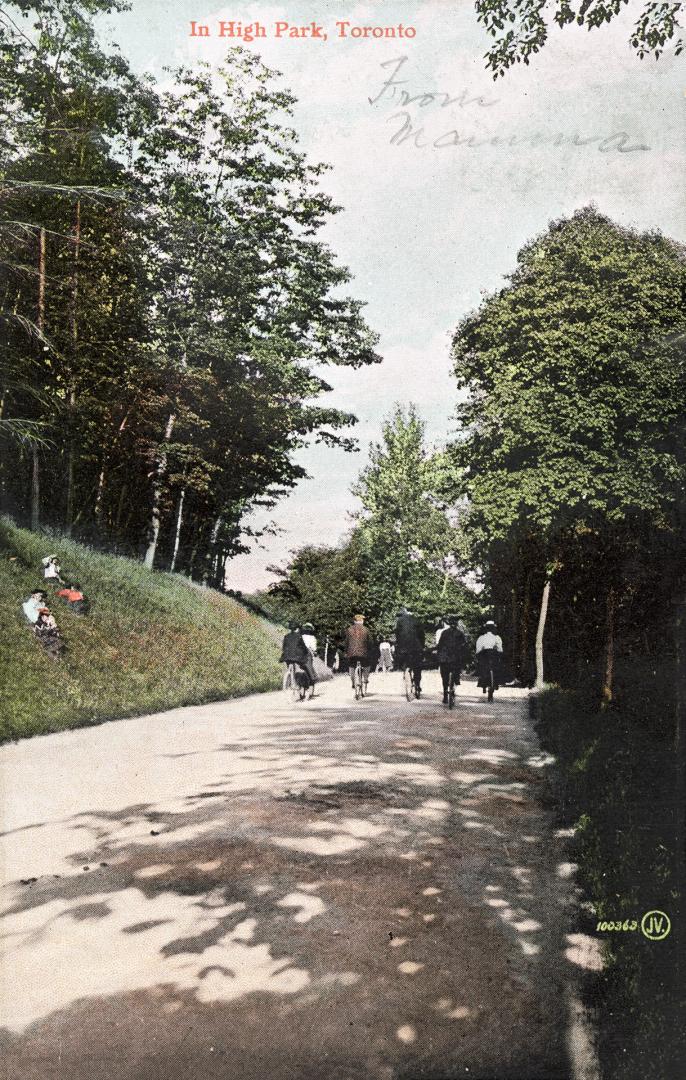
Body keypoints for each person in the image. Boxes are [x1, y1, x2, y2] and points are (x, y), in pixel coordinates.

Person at [395, 607, 425, 697]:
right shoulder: (417, 620)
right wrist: (422, 646)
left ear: (406, 611)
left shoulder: (400, 621)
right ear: (413, 611)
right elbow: (422, 635)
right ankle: (418, 685)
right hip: (416, 648)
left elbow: (397, 634)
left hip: (404, 649)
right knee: (417, 667)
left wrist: (399, 644)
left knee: (405, 664)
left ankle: (405, 671)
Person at [437, 614, 466, 703]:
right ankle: (454, 685)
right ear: (456, 624)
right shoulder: (460, 634)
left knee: (444, 677)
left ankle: (445, 695)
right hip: (455, 659)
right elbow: (464, 646)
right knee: (457, 672)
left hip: (444, 659)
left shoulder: (444, 633)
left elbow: (440, 645)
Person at [280, 621, 316, 689]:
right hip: (297, 657)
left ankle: (291, 677)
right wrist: (306, 652)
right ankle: (304, 680)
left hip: (286, 657)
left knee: (291, 665)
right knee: (303, 664)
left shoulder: (286, 636)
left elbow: (284, 647)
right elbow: (303, 647)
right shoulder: (299, 636)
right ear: (297, 629)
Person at [345, 614, 373, 692]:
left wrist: (346, 651)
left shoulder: (349, 629)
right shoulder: (366, 630)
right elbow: (370, 642)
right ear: (362, 621)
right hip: (363, 654)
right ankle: (366, 679)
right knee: (367, 665)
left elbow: (346, 642)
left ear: (354, 621)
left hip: (352, 653)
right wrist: (370, 651)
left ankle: (353, 682)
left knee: (352, 666)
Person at [475, 619, 504, 694]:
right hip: (493, 655)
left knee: (482, 667)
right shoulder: (497, 637)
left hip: (484, 655)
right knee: (496, 667)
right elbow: (500, 649)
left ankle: (482, 682)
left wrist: (478, 654)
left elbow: (478, 649)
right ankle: (495, 682)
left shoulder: (481, 637)